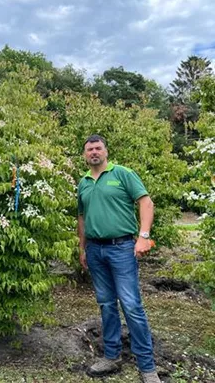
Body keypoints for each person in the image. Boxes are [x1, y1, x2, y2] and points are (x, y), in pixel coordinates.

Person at [77, 134, 161, 383]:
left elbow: (145, 202)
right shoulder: (83, 182)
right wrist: (82, 249)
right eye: (89, 149)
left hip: (121, 248)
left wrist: (143, 236)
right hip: (95, 250)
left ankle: (147, 367)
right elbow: (82, 218)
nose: (94, 152)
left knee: (132, 305)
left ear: (106, 151)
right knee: (106, 304)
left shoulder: (123, 173)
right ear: (84, 155)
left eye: (98, 148)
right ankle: (111, 356)